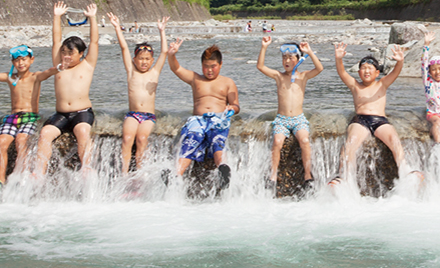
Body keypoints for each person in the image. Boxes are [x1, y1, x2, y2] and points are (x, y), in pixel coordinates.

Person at [328, 43, 411, 186]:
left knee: (393, 139)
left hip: (380, 121)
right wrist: (338, 59)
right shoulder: (355, 85)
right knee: (350, 143)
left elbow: (395, 73)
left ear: (377, 73)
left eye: (370, 69)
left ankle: (405, 171)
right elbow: (342, 73)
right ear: (359, 72)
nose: (366, 71)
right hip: (360, 121)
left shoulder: (382, 84)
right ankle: (344, 177)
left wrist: (400, 61)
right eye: (363, 68)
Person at [34, 1, 100, 175]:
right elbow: (56, 39)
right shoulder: (59, 64)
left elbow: (94, 41)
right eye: (64, 52)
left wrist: (92, 18)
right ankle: (39, 172)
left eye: (71, 53)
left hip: (82, 112)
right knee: (45, 133)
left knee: (83, 131)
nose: (66, 56)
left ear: (80, 54)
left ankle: (86, 167)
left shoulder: (87, 65)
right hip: (61, 114)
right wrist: (57, 16)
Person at [0, 42, 57, 190]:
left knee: (21, 139)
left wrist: (60, 67)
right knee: (1, 141)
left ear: (31, 60)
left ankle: (21, 175)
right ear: (12, 62)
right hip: (13, 117)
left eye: (23, 59)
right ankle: (0, 179)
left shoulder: (35, 77)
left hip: (30, 116)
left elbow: (48, 72)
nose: (20, 63)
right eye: (17, 60)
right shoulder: (11, 78)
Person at [167, 42, 240, 190]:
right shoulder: (195, 79)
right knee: (191, 142)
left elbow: (236, 105)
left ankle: (223, 169)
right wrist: (171, 54)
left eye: (213, 66)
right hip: (198, 121)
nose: (209, 70)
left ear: (220, 64)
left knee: (217, 141)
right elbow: (176, 68)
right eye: (206, 66)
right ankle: (176, 175)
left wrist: (232, 108)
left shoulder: (227, 82)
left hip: (218, 120)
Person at [257, 37, 324, 190]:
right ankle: (272, 176)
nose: (286, 61)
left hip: (299, 119)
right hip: (282, 119)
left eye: (290, 57)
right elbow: (260, 66)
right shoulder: (279, 76)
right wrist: (264, 47)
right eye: (284, 57)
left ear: (298, 59)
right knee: (277, 142)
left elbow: (320, 68)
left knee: (305, 141)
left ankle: (308, 176)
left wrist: (309, 51)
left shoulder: (303, 76)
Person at [107, 13, 170, 173]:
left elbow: (164, 52)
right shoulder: (131, 71)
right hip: (133, 115)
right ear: (134, 59)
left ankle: (140, 173)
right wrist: (116, 27)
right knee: (127, 139)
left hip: (148, 116)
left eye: (147, 59)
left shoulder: (155, 72)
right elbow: (123, 48)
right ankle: (124, 173)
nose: (144, 62)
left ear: (152, 60)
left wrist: (162, 31)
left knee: (142, 139)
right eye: (141, 58)